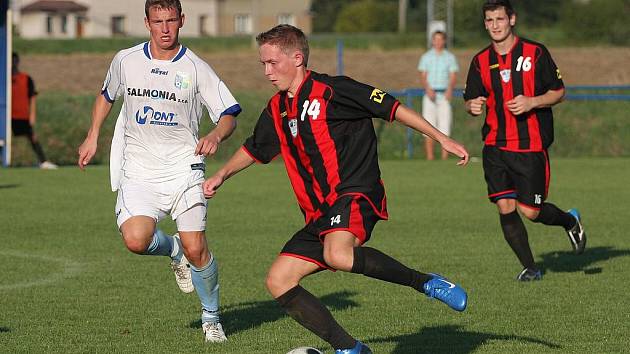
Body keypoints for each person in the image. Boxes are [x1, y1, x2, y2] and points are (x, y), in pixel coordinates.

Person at [203, 24, 469, 354]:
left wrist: (441, 137)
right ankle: (350, 348)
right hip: (319, 214)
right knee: (279, 280)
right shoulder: (277, 108)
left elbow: (391, 107)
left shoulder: (334, 90)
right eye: (264, 64)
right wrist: (222, 175)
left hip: (355, 191)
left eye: (273, 63)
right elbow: (256, 148)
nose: (267, 72)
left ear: (297, 58)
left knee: (337, 254)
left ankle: (426, 281)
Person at [77, 0, 241, 342]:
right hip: (139, 169)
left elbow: (228, 113)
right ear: (147, 22)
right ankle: (173, 250)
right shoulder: (126, 60)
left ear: (182, 20)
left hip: (184, 168)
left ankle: (211, 318)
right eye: (157, 21)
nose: (165, 28)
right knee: (136, 240)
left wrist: (215, 133)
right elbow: (107, 96)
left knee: (198, 249)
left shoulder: (196, 67)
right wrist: (92, 135)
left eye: (170, 20)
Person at [463, 0, 586, 281]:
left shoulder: (535, 53)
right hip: (495, 146)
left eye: (500, 19)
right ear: (485, 24)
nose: (495, 25)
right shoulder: (480, 61)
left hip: (529, 147)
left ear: (512, 19)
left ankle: (570, 220)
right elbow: (470, 98)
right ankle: (531, 267)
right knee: (505, 206)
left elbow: (559, 92)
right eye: (490, 20)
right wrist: (471, 106)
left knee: (531, 211)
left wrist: (532, 101)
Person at [11, 52, 58, 169]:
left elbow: (32, 98)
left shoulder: (26, 79)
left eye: (15, 60)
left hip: (21, 115)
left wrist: (32, 115)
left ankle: (43, 161)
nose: (13, 63)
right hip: (6, 116)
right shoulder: (3, 79)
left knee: (32, 137)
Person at [417, 31, 458, 160]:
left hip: (444, 95)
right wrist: (428, 89)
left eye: (440, 39)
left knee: (444, 125)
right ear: (432, 41)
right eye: (436, 39)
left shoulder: (450, 57)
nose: (438, 42)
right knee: (428, 125)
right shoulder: (426, 57)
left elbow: (452, 75)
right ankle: (430, 157)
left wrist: (450, 90)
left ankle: (444, 158)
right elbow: (423, 76)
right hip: (430, 95)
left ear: (444, 41)